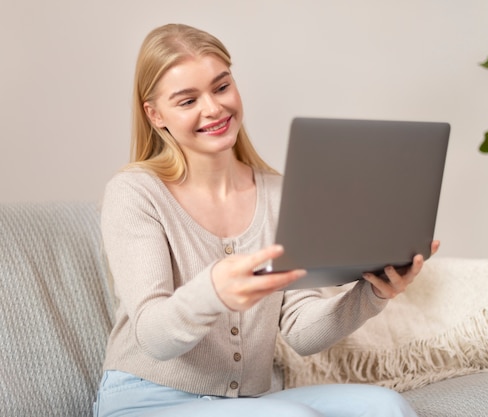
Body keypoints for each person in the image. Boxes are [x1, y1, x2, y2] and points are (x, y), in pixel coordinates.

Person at [94, 23, 439, 417]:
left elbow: (301, 332)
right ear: (155, 115)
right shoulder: (136, 192)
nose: (214, 108)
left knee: (386, 406)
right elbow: (153, 336)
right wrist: (214, 291)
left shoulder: (280, 193)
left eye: (221, 87)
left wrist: (373, 294)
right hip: (147, 398)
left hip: (247, 402)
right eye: (188, 101)